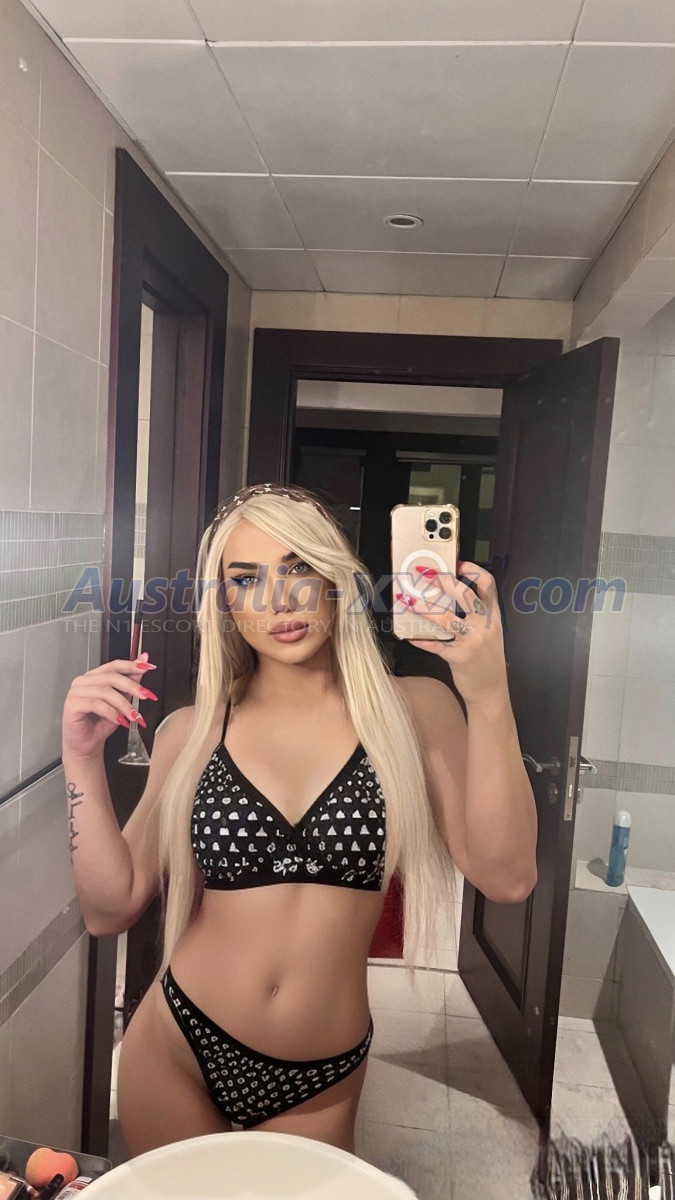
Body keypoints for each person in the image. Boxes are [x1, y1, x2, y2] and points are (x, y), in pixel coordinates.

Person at [61, 482, 538, 1157]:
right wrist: (80, 759)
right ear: (225, 603)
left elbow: (508, 876)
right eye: (245, 579)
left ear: (336, 579)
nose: (278, 600)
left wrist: (488, 695)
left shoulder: (414, 711)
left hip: (321, 1078)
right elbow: (108, 910)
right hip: (177, 1047)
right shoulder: (193, 733)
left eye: (298, 568)